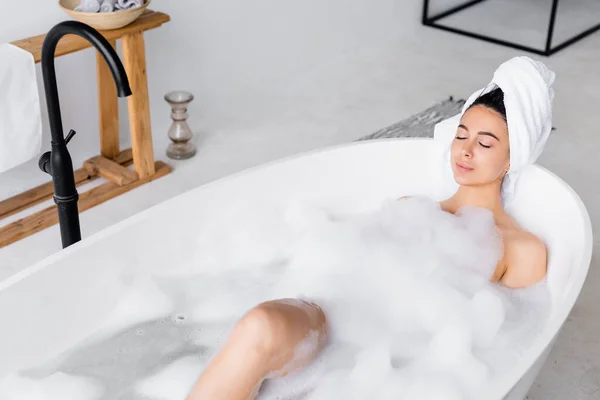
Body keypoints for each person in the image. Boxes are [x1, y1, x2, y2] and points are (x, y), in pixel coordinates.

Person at [185, 87, 548, 400]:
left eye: (485, 143)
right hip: (330, 315)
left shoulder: (520, 249)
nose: (465, 151)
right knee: (261, 324)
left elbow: (508, 338)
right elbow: (343, 261)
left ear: (513, 157)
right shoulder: (410, 207)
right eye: (461, 135)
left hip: (398, 356)